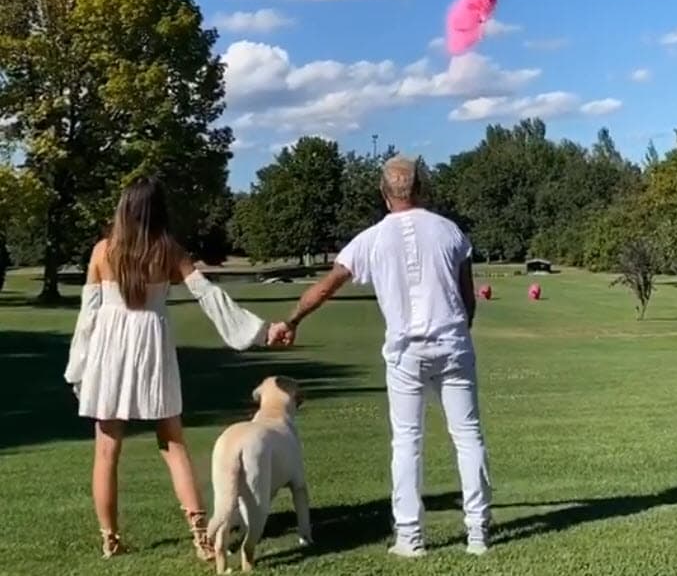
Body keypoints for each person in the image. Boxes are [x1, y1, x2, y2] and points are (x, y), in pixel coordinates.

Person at [272, 155, 492, 557]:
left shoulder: (370, 238)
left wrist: (292, 320)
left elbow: (325, 287)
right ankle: (477, 533)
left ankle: (410, 538)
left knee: (407, 442)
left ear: (383, 193)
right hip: (453, 345)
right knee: (468, 436)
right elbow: (467, 297)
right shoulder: (451, 231)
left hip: (406, 353)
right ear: (422, 188)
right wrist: (463, 331)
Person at [64, 176, 280, 561]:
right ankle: (200, 536)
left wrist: (78, 368)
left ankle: (110, 539)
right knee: (172, 443)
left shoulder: (102, 251)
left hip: (109, 353)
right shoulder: (169, 251)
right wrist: (259, 331)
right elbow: (210, 297)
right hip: (151, 349)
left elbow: (88, 318)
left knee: (106, 450)